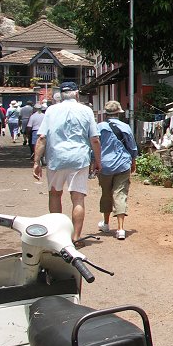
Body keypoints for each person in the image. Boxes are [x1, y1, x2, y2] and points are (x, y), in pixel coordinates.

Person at [32, 82, 101, 243]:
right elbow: (94, 139)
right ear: (76, 94)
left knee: (55, 195)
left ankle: (58, 237)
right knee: (78, 198)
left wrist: (36, 162)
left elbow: (42, 138)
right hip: (79, 159)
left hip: (56, 158)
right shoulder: (86, 110)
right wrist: (98, 161)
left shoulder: (51, 110)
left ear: (60, 96)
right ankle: (76, 238)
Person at [96, 101, 137, 240]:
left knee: (106, 193)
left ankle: (106, 223)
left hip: (105, 165)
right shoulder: (125, 127)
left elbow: (95, 145)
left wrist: (94, 162)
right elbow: (132, 146)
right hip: (122, 164)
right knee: (120, 194)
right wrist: (133, 161)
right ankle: (120, 229)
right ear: (119, 113)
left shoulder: (99, 127)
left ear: (106, 113)